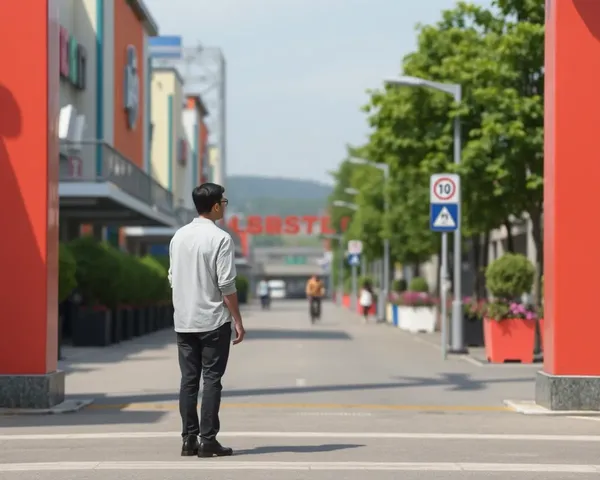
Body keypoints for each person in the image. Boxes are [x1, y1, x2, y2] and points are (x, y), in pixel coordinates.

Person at [168, 182, 246, 458]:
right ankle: (208, 440)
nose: (224, 206)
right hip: (213, 321)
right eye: (223, 203)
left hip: (184, 321)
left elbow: (171, 278)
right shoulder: (221, 239)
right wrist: (237, 320)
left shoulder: (178, 237)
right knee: (212, 380)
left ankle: (189, 438)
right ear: (215, 206)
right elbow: (227, 285)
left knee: (188, 381)